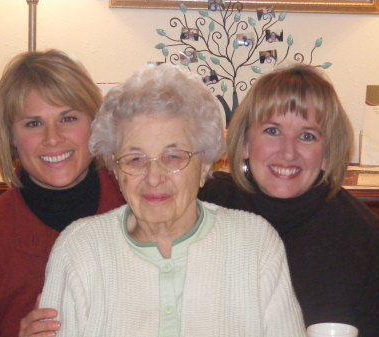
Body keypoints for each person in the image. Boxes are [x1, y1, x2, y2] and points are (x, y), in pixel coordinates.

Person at [21, 63, 306, 337]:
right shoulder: (80, 249)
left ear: (205, 164)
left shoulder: (255, 245)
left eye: (173, 157)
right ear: (116, 171)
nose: (154, 177)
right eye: (135, 159)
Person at [199, 64, 379, 337]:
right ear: (244, 142)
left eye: (307, 136)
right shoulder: (202, 207)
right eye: (272, 131)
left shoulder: (372, 246)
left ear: (327, 154)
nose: (288, 153)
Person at [0, 49, 125, 337]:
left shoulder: (141, 209)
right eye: (33, 123)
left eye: (68, 118)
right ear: (12, 138)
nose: (52, 138)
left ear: (96, 124)